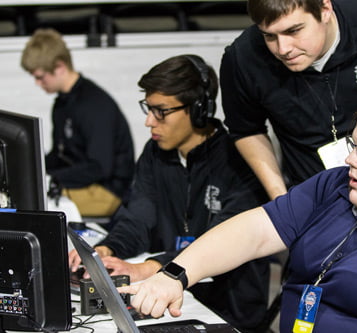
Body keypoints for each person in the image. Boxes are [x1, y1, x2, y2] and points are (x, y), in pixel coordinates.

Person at [121, 96, 357, 332]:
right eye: (354, 146)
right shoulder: (334, 186)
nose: (351, 160)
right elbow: (256, 231)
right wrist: (175, 275)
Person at [68, 55, 270, 332]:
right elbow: (138, 219)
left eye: (161, 111)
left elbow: (224, 241)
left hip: (227, 310)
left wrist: (149, 268)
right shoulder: (155, 154)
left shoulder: (238, 160)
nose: (150, 121)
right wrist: (105, 250)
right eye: (148, 109)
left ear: (199, 110)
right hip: (167, 300)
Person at [220, 0, 357, 200]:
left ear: (325, 9)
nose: (283, 49)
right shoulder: (242, 58)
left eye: (294, 30)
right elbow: (247, 130)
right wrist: (281, 199)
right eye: (269, 35)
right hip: (316, 195)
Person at [20, 28, 135, 217]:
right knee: (25, 194)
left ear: (59, 67)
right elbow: (60, 155)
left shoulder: (94, 105)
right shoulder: (62, 104)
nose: (38, 83)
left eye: (40, 77)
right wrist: (32, 170)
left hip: (107, 190)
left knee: (34, 205)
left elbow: (99, 167)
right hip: (84, 182)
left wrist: (54, 178)